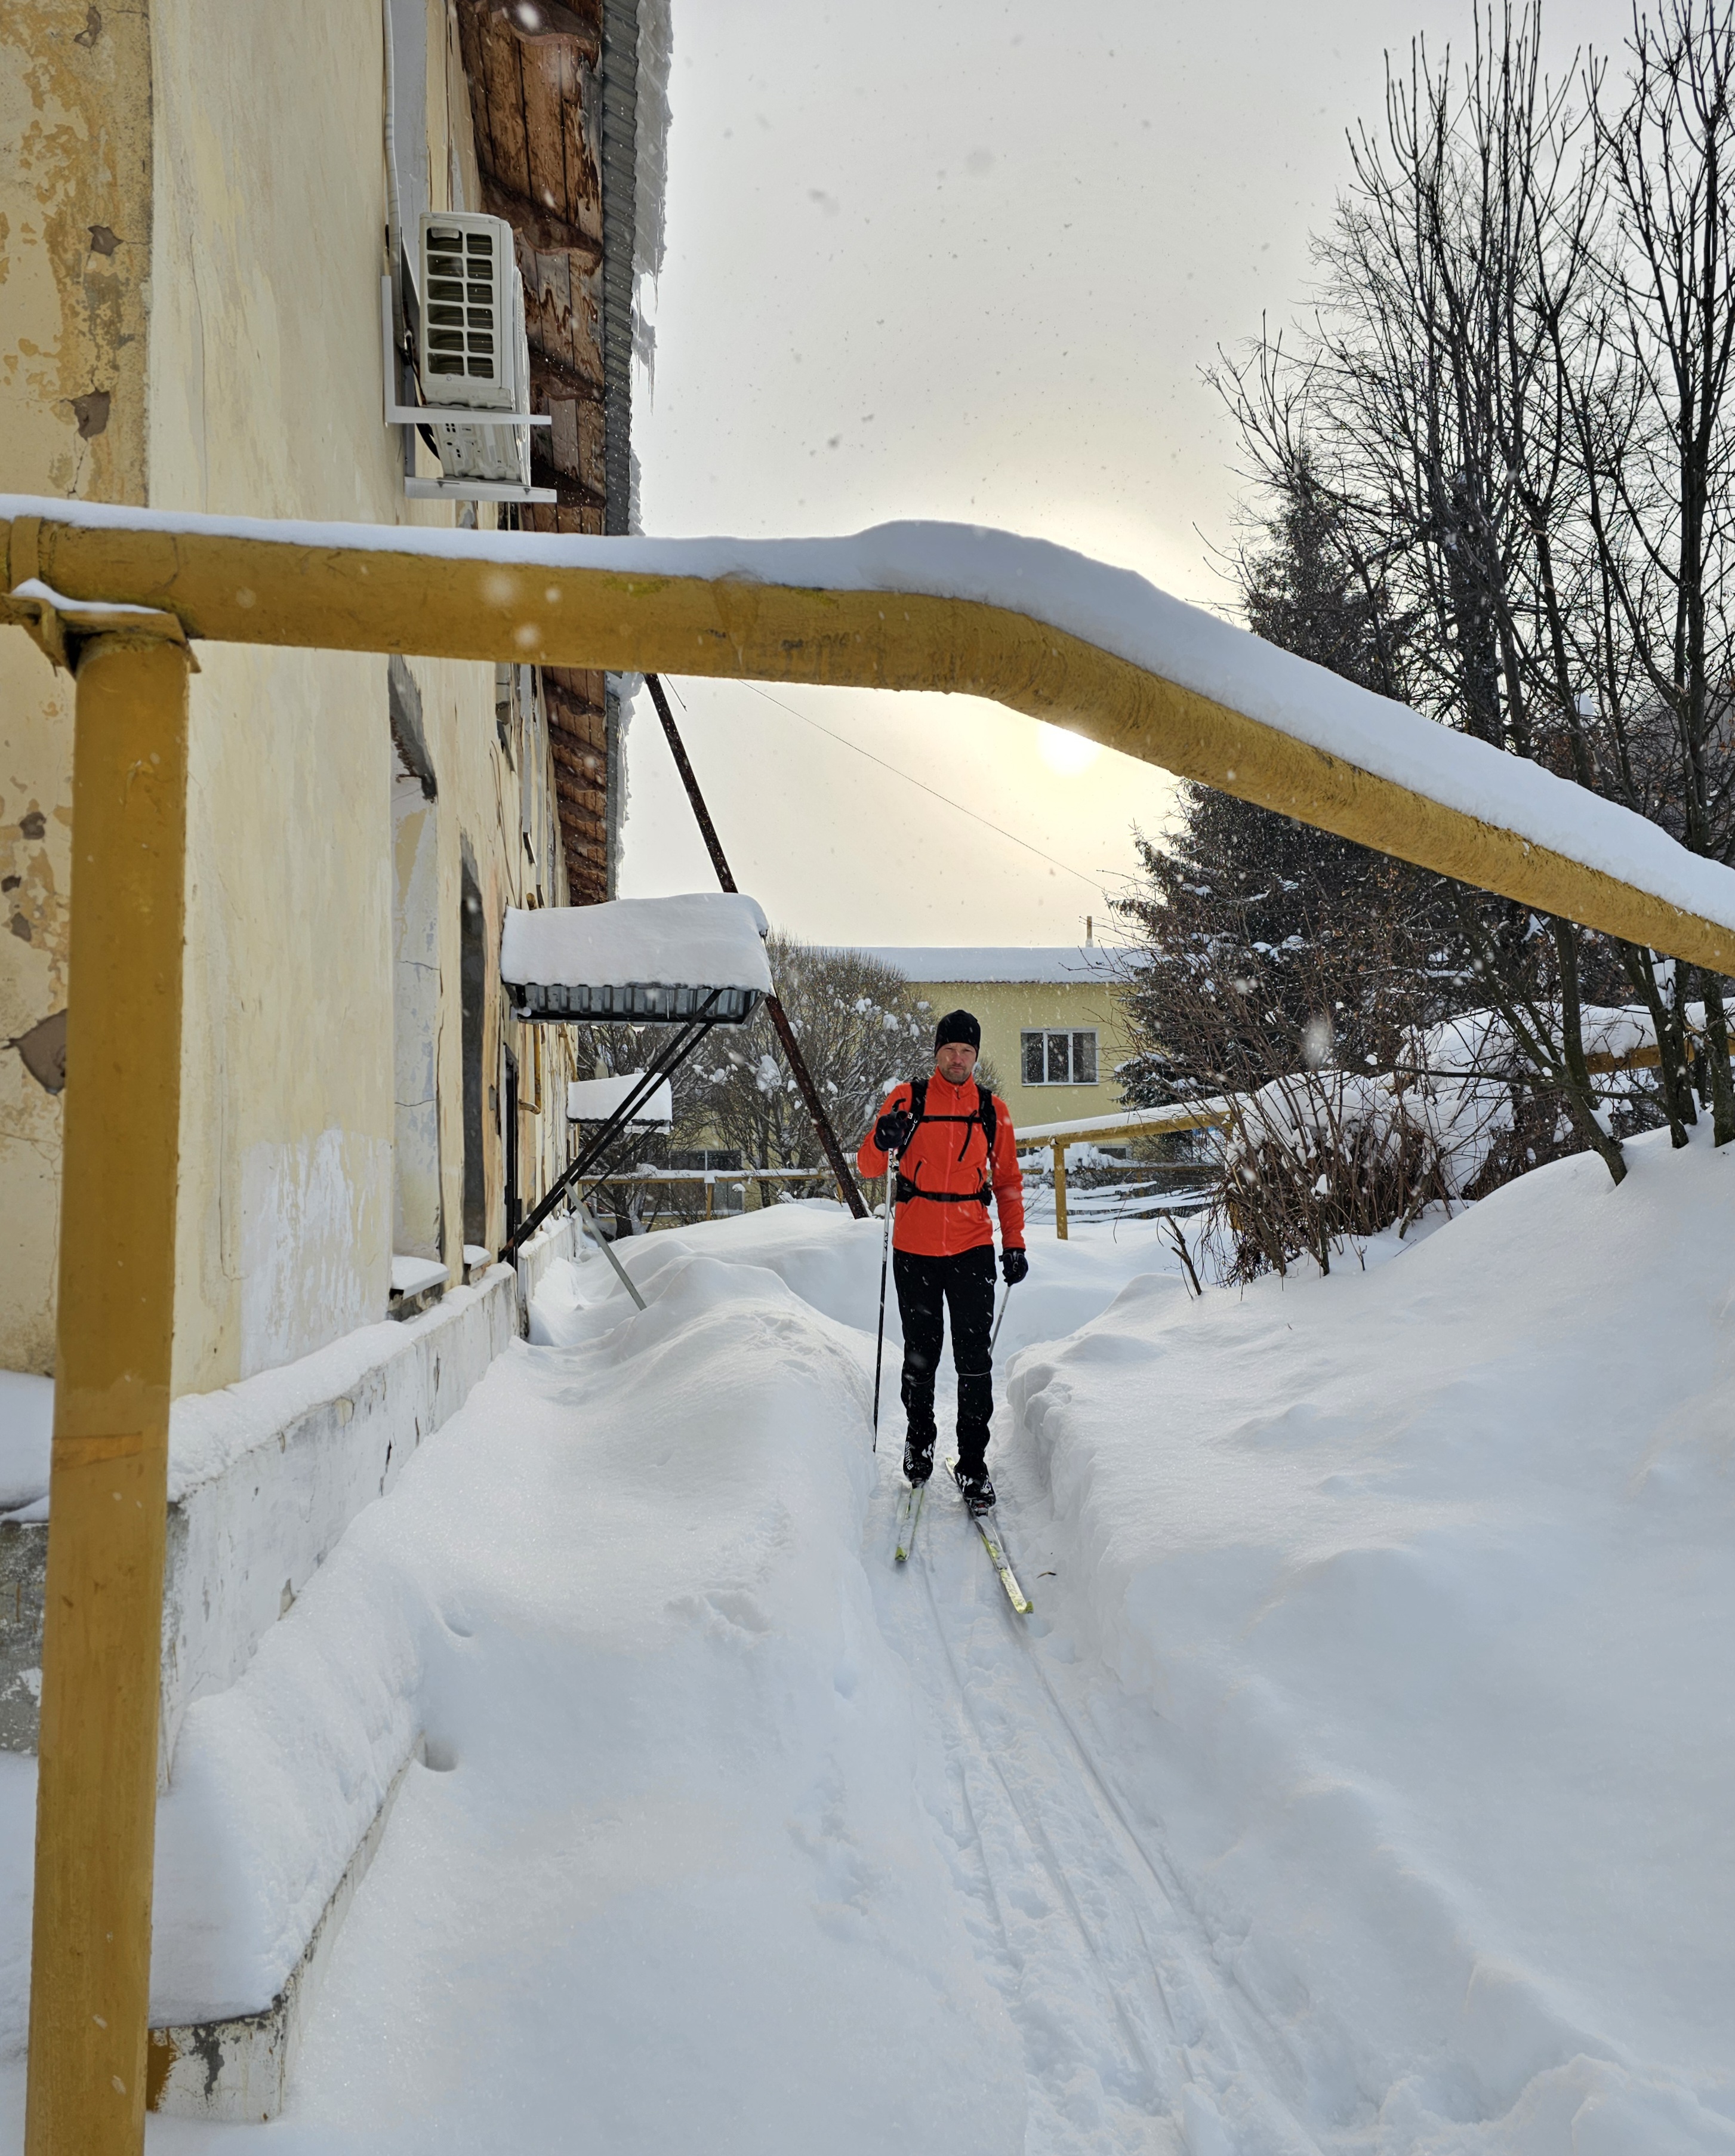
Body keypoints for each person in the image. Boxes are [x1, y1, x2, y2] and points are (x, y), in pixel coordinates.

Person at [857, 1009, 1028, 1514]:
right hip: (915, 1248)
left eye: (966, 1051)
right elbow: (868, 1166)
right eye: (950, 1050)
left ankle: (973, 1462)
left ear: (975, 1056)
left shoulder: (991, 1109)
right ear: (937, 1053)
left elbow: (1008, 1182)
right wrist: (882, 1138)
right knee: (921, 1355)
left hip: (972, 1247)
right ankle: (919, 1442)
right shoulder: (907, 1099)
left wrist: (1014, 1244)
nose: (957, 1059)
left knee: (974, 1360)